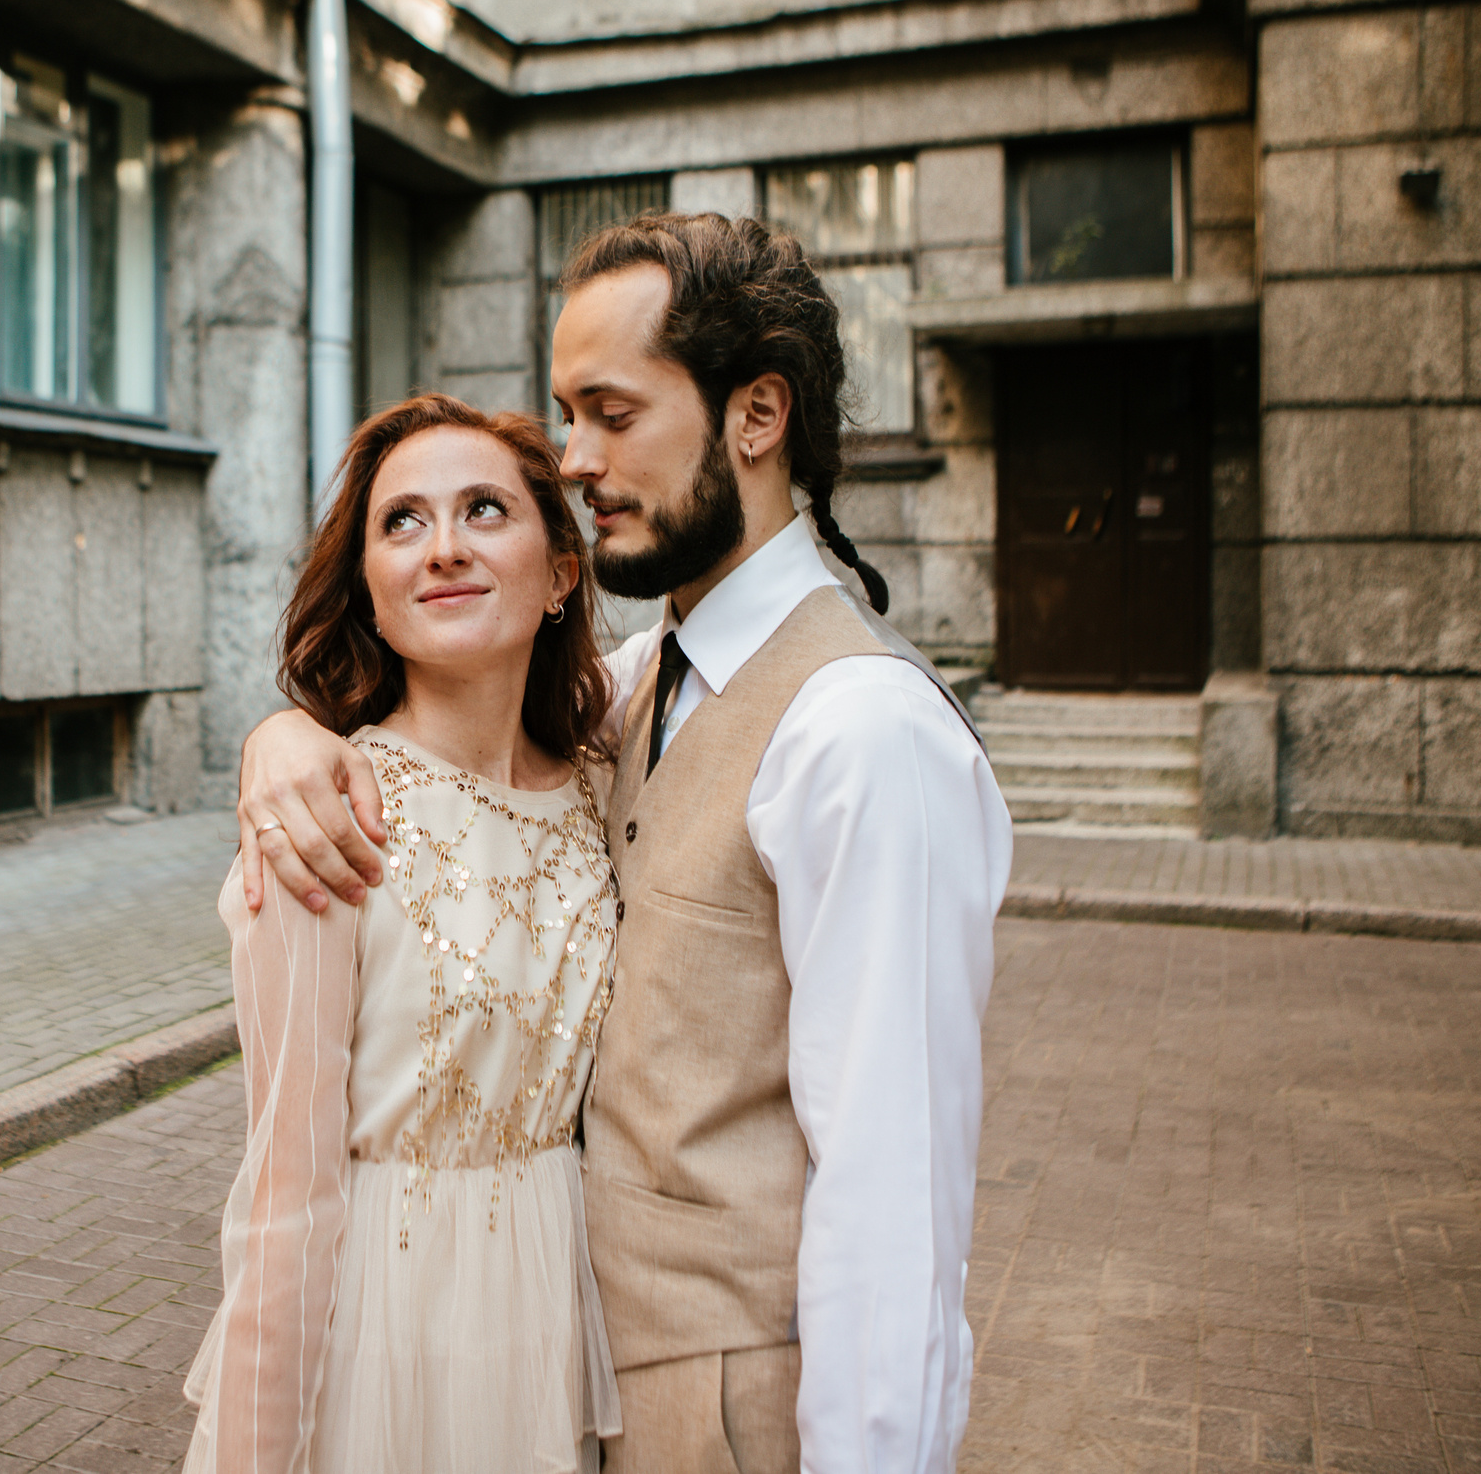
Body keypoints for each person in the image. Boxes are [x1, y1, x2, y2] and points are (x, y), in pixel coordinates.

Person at [236, 214, 1012, 1473]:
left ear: (755, 417)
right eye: (565, 415)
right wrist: (284, 738)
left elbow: (897, 1204)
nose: (574, 461)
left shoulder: (862, 730)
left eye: (611, 413)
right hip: (578, 1384)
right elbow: (459, 716)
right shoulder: (647, 680)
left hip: (743, 1407)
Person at [183, 393, 625, 1474]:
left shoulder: (611, 775)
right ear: (371, 593)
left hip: (556, 1315)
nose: (443, 550)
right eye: (402, 523)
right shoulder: (325, 816)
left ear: (560, 571)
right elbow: (282, 1195)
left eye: (484, 510)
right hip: (385, 1329)